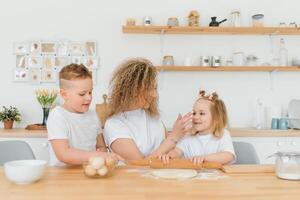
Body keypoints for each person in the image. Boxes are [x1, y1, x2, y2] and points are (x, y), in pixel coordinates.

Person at [104, 58, 192, 161]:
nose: (155, 95)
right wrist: (173, 137)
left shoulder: (152, 117)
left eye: (155, 88)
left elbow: (167, 149)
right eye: (150, 89)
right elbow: (140, 165)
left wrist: (184, 133)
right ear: (133, 90)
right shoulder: (114, 125)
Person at [47, 63, 121, 166]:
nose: (89, 98)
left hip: (90, 172)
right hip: (63, 176)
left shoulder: (93, 115)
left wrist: (102, 155)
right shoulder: (58, 116)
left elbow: (101, 146)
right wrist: (99, 156)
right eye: (82, 94)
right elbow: (63, 154)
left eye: (90, 92)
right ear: (64, 94)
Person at [159, 90, 236, 165]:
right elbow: (177, 151)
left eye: (202, 113)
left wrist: (204, 158)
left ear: (216, 117)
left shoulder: (223, 134)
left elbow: (228, 156)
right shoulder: (187, 136)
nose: (196, 117)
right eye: (194, 113)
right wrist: (169, 156)